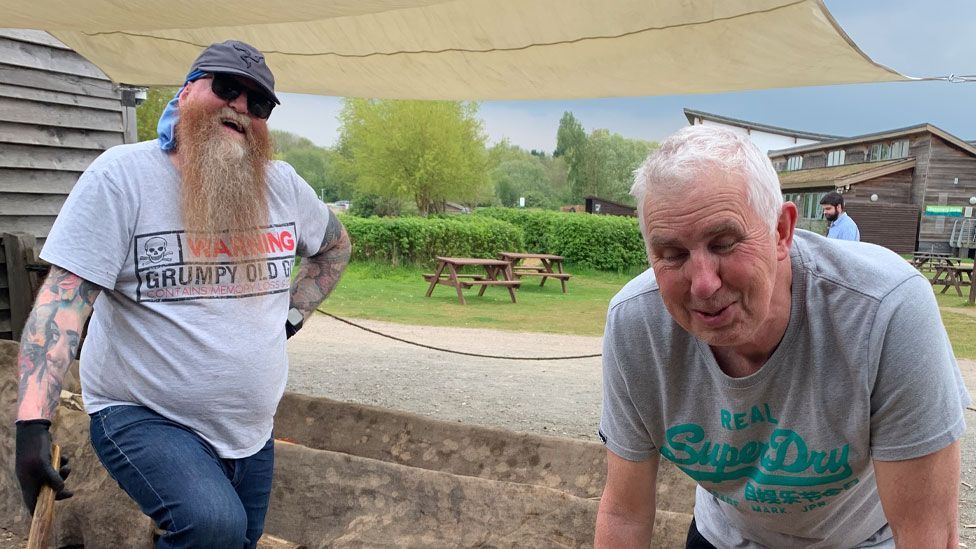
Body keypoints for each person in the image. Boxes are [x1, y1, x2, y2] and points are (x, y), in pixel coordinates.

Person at [15, 40, 351, 548]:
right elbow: (63, 301)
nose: (240, 106)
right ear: (187, 90)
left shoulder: (283, 186)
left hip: (249, 431)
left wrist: (292, 318)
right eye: (226, 87)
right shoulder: (122, 177)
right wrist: (32, 425)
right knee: (213, 527)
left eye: (258, 103)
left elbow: (335, 248)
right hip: (142, 413)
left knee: (236, 540)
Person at [595, 125, 969, 548]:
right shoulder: (636, 325)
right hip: (726, 536)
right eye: (673, 254)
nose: (702, 284)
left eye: (723, 243)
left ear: (781, 231)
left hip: (861, 540)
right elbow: (625, 513)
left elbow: (929, 536)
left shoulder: (886, 310)